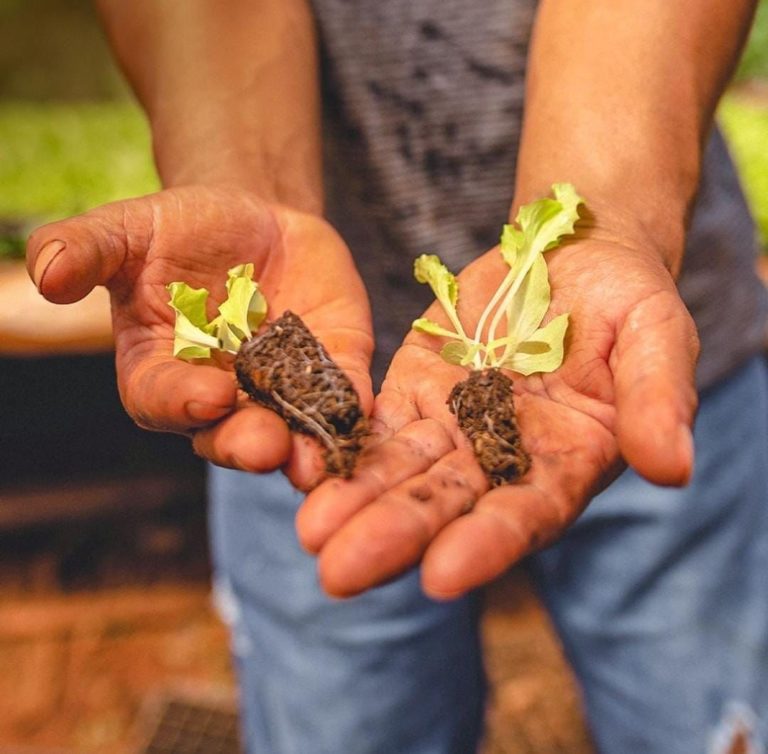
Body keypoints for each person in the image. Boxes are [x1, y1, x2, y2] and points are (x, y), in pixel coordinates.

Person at [26, 0, 768, 751]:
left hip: (620, 352)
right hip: (306, 417)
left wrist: (608, 212)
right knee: (347, 720)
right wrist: (241, 178)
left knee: (703, 717)